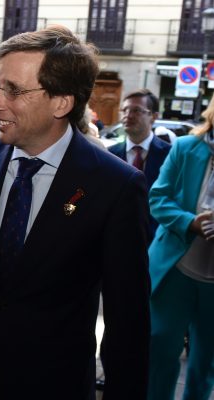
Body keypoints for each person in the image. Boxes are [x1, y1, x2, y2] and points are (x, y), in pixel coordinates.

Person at [0, 25, 150, 399]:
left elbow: (127, 317)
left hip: (53, 380)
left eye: (14, 91)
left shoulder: (115, 186)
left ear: (62, 102)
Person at [147, 96, 214, 400]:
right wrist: (190, 222)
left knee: (206, 363)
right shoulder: (186, 147)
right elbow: (157, 198)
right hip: (176, 268)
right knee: (160, 350)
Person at [108, 89, 171, 236]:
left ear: (154, 116)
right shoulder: (109, 155)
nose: (128, 116)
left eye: (136, 110)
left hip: (156, 237)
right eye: (124, 110)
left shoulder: (170, 154)